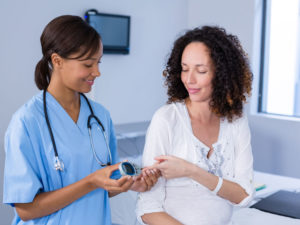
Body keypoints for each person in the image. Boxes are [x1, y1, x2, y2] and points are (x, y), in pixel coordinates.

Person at [3, 15, 160, 225]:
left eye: (98, 62)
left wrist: (131, 183)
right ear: (57, 61)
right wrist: (90, 182)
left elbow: (106, 185)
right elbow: (25, 209)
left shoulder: (100, 116)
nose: (97, 72)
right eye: (88, 64)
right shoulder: (27, 121)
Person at [136, 26, 254, 225]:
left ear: (222, 73)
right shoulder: (167, 119)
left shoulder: (236, 121)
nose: (189, 79)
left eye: (201, 70)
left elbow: (243, 196)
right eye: (184, 69)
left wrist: (192, 171)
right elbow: (148, 209)